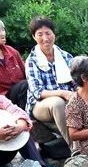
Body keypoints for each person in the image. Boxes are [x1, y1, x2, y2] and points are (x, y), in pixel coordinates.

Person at [24, 17, 76, 147]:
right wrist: (63, 93)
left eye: (48, 33)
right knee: (58, 103)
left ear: (54, 34)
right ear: (34, 37)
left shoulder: (66, 56)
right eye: (40, 35)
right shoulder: (32, 60)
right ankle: (75, 147)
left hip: (68, 99)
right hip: (40, 106)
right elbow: (37, 92)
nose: (45, 38)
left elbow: (77, 83)